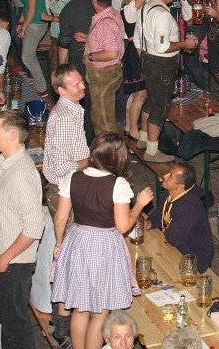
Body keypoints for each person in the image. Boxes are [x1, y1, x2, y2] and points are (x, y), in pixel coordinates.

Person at [53, 133, 153, 349]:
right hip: (104, 247)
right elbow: (123, 226)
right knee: (100, 310)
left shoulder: (72, 177)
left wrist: (59, 243)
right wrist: (140, 204)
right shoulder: (118, 185)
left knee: (80, 309)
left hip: (77, 241)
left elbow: (60, 218)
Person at [0, 110, 45, 349]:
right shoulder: (5, 162)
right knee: (5, 318)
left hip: (14, 264)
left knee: (16, 324)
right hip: (0, 255)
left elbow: (34, 227)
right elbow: (2, 200)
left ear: (13, 135)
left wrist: (6, 257)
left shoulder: (22, 174)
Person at [40, 64, 90, 345]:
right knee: (68, 260)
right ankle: (63, 328)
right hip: (64, 192)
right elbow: (63, 165)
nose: (82, 87)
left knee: (67, 259)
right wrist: (91, 160)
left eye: (81, 81)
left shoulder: (69, 110)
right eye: (75, 85)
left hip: (64, 189)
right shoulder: (66, 118)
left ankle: (63, 320)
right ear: (61, 90)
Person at [137, 0, 199, 163]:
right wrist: (184, 43)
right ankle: (152, 150)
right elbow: (163, 46)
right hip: (162, 64)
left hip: (148, 60)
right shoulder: (163, 15)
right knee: (161, 107)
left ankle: (143, 138)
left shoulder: (146, 6)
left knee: (151, 100)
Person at [148, 160, 213, 274]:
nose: (165, 176)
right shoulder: (169, 193)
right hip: (174, 246)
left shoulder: (189, 206)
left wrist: (167, 230)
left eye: (171, 176)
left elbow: (174, 238)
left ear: (180, 186)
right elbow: (159, 216)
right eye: (169, 172)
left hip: (193, 259)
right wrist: (148, 223)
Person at [82, 0, 126, 136]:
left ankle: (110, 155)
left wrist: (90, 56)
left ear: (94, 1)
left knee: (104, 121)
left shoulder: (105, 23)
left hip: (104, 74)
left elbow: (112, 52)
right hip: (110, 72)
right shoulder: (113, 14)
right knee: (99, 115)